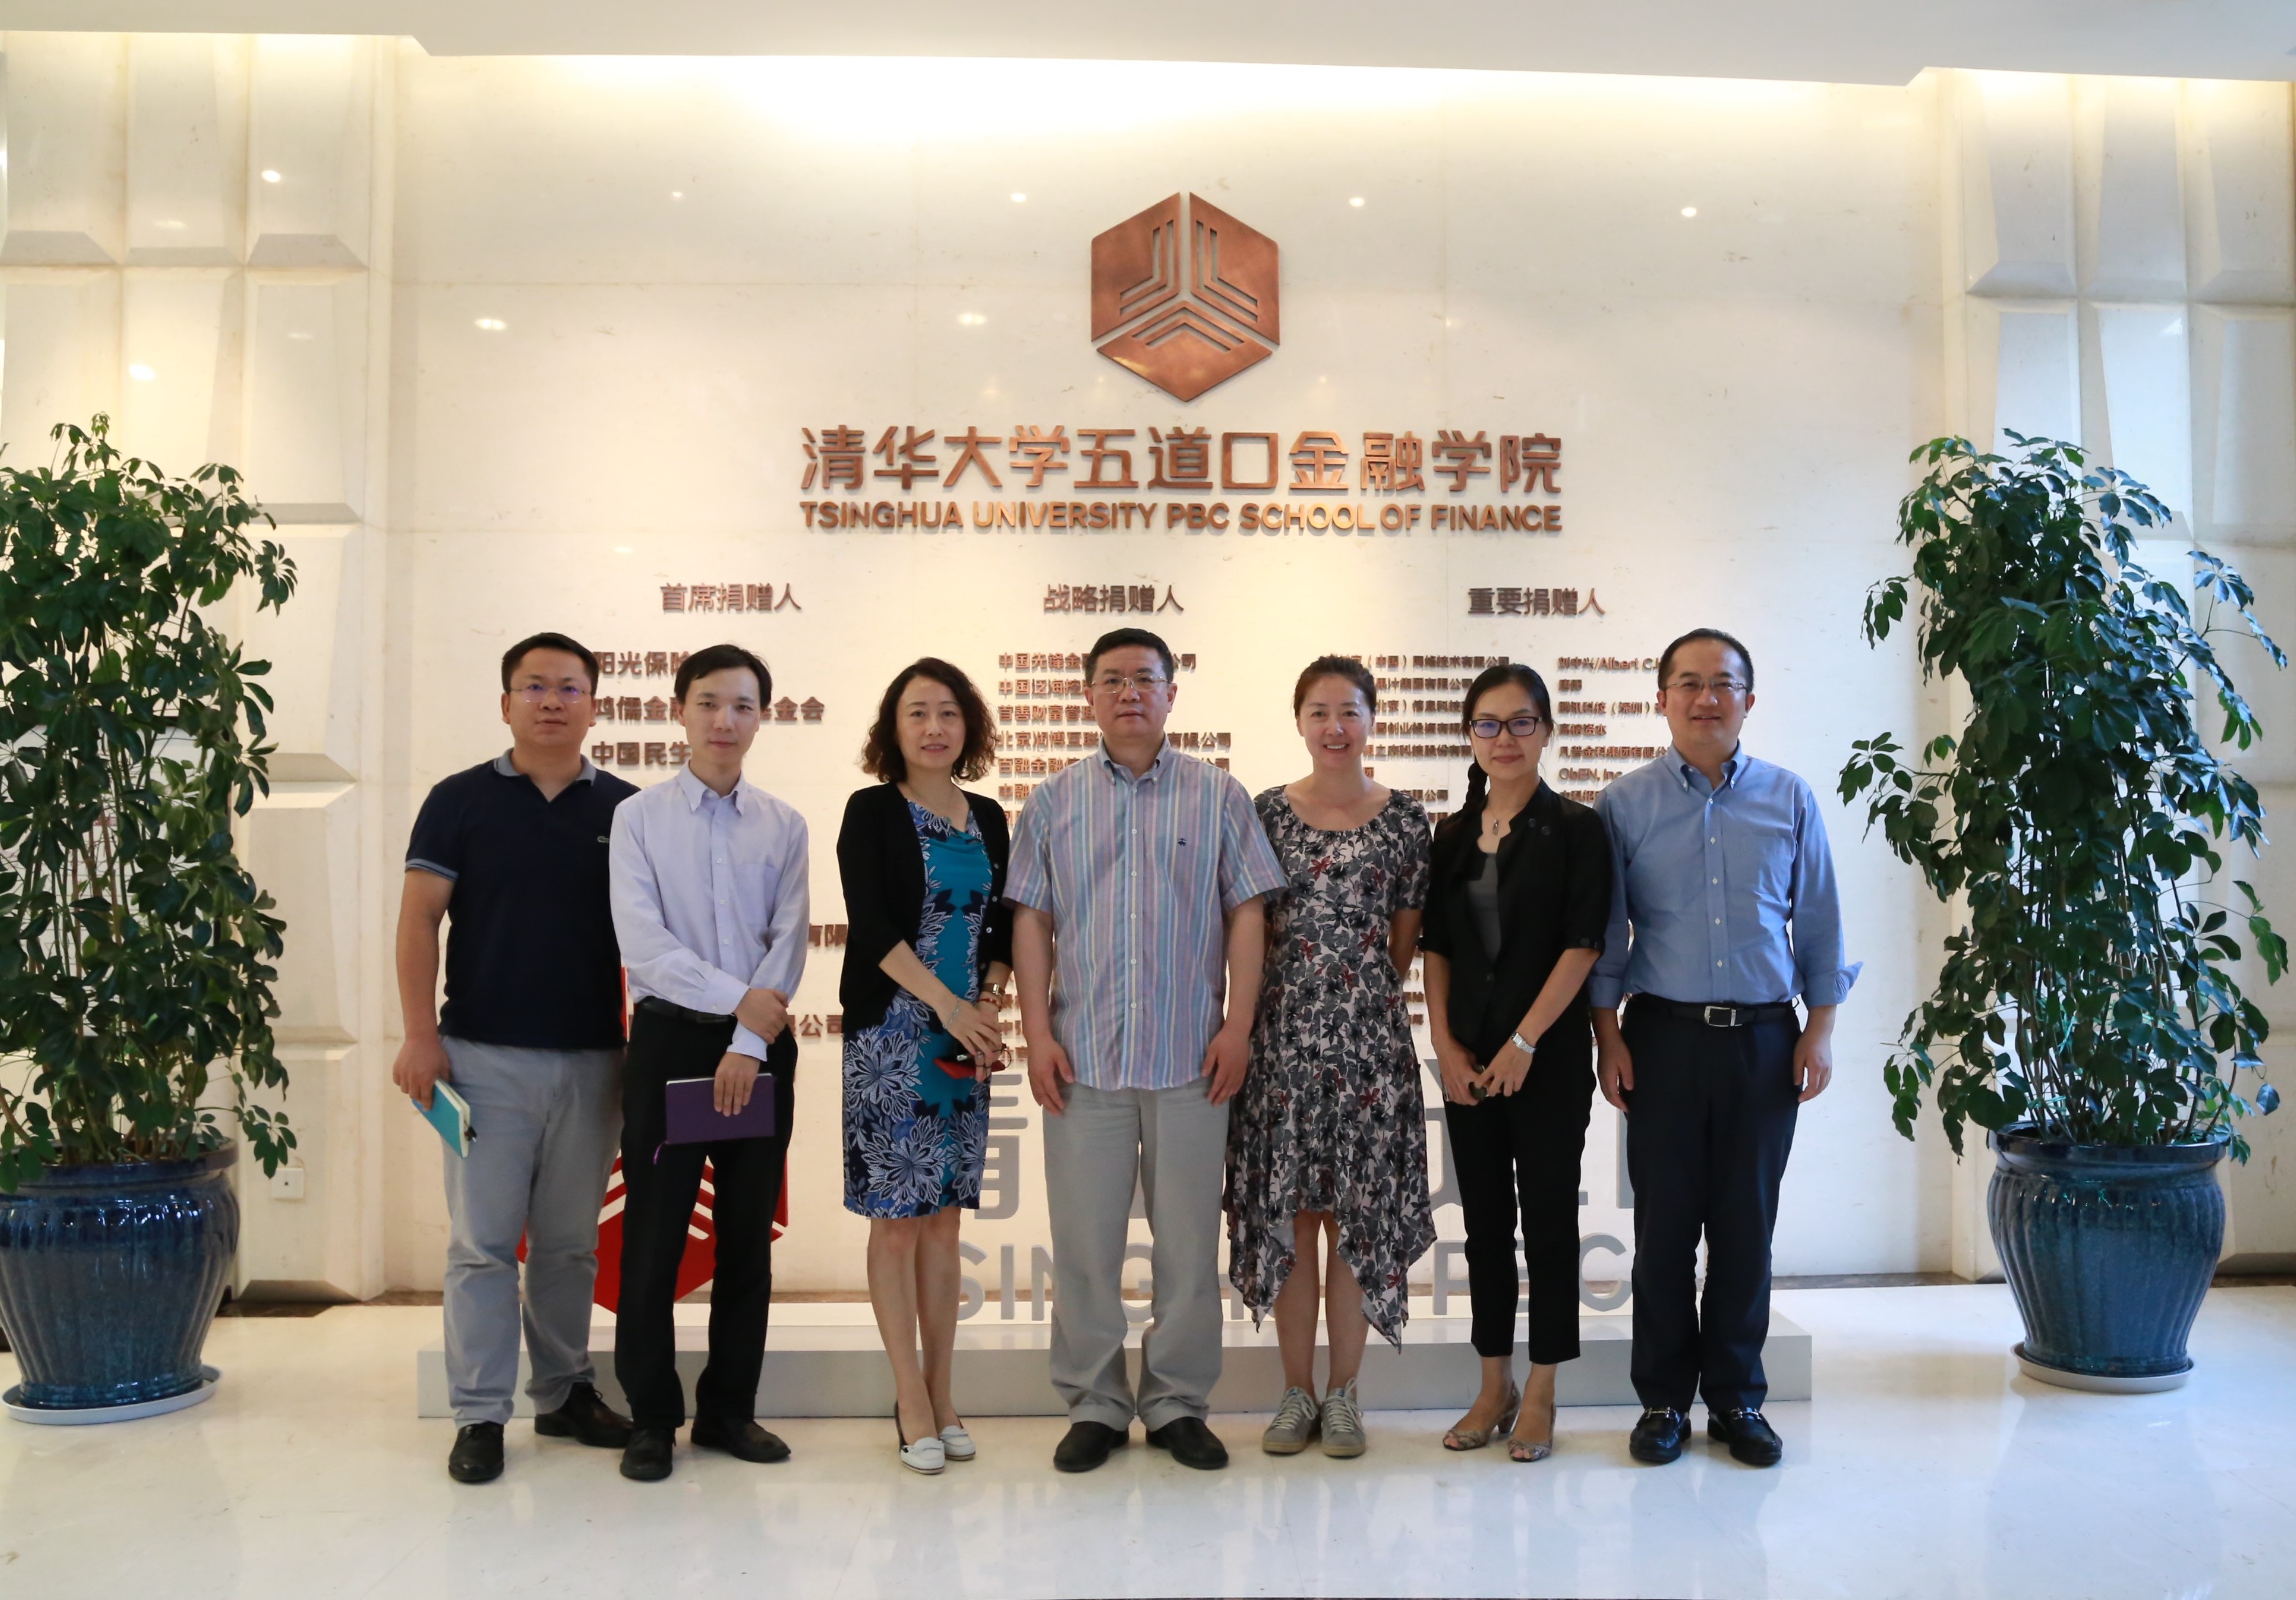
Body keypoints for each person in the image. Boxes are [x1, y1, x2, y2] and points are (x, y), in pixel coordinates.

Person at [1008, 626, 1289, 1474]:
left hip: (1192, 1060)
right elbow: (1031, 920)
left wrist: (1238, 1026)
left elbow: (1248, 911)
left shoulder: (1218, 796)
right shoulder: (1053, 800)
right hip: (1082, 1059)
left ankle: (1176, 1402)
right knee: (1084, 1246)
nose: (1129, 692)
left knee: (1188, 1247)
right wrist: (1036, 1032)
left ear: (1172, 692)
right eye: (1112, 679)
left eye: (1144, 678)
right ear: (1089, 696)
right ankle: (1095, 1402)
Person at [1592, 628, 1856, 1469]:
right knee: (1665, 1232)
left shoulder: (1788, 796)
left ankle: (1738, 1397)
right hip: (1660, 1039)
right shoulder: (1623, 803)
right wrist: (1607, 1034)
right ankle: (1663, 1400)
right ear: (1661, 697)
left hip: (1764, 1041)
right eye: (1688, 682)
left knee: (1746, 1230)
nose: (1705, 698)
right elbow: (1606, 933)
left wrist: (1819, 1027)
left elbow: (1818, 917)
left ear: (1748, 698)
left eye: (1722, 683)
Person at [395, 632, 639, 1486]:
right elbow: (419, 919)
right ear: (505, 703)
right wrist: (418, 1034)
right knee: (483, 1246)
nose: (551, 701)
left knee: (569, 1246)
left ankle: (565, 1391)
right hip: (481, 1059)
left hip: (594, 1061)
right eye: (534, 686)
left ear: (593, 706)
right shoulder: (459, 800)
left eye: (569, 687)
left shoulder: (627, 810)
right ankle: (479, 1412)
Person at [606, 643, 809, 1483]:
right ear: (679, 710)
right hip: (670, 1042)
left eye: (743, 705)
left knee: (746, 1239)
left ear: (762, 716)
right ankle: (653, 1415)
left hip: (759, 1049)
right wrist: (740, 1006)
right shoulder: (638, 818)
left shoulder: (784, 824)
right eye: (709, 702)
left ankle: (729, 1408)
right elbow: (644, 945)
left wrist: (749, 1041)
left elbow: (788, 939)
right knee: (653, 1237)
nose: (725, 720)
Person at [1226, 656, 1434, 1459]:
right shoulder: (1265, 812)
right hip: (1279, 1044)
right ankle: (1295, 1393)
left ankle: (1344, 1395)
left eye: (1349, 710)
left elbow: (1404, 939)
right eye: (1318, 711)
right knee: (1290, 1216)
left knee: (1354, 1222)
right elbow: (1248, 925)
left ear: (1372, 718)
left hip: (1369, 1047)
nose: (1334, 726)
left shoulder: (1405, 819)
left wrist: (1353, 1001)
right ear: (1299, 721)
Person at [1422, 662, 1613, 1463]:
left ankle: (1542, 1388)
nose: (1504, 738)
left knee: (1548, 1222)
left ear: (1546, 731)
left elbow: (1583, 945)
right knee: (1484, 1227)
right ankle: (1492, 1382)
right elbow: (1436, 946)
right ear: (1470, 735)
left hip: (1547, 1061)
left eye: (1521, 722)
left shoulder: (1577, 828)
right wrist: (1444, 1043)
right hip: (1468, 1061)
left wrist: (1525, 1042)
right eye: (1488, 724)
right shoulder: (1451, 835)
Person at [836, 659, 1013, 1476]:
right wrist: (949, 1006)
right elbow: (872, 926)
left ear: (967, 725)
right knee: (896, 1218)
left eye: (948, 712)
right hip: (893, 1035)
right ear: (893, 727)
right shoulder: (871, 810)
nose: (934, 727)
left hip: (963, 1038)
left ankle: (945, 1394)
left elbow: (1002, 925)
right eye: (917, 712)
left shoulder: (990, 816)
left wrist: (989, 1002)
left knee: (945, 1218)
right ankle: (908, 1396)